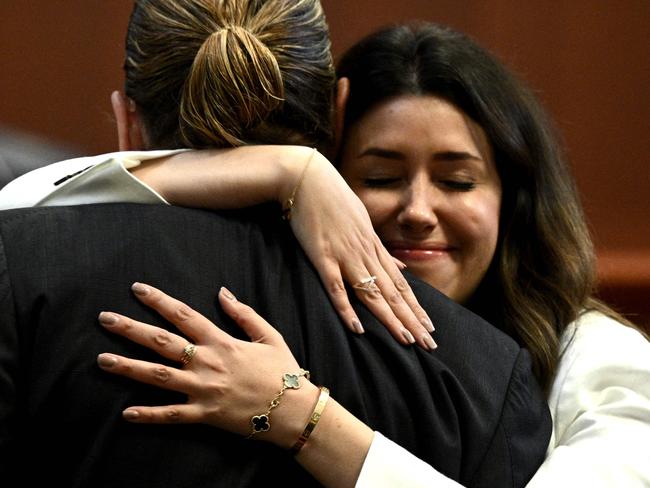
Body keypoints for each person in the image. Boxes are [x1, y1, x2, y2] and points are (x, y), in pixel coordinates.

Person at [12, 18, 648, 486]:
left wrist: (301, 415)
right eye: (377, 178)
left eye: (457, 180)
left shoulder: (583, 359)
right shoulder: (466, 369)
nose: (418, 211)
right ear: (335, 139)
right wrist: (285, 171)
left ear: (519, 197)